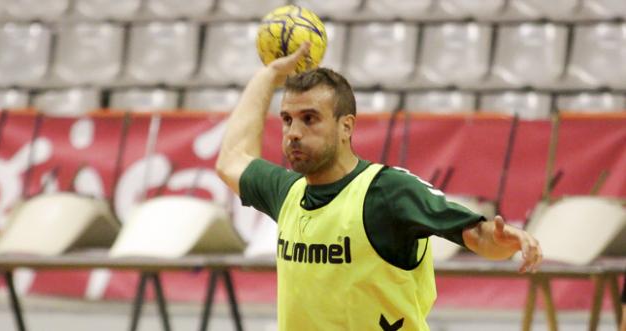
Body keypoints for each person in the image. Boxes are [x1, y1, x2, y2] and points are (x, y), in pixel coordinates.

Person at [216, 43, 543, 331]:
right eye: (287, 119)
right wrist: (269, 75)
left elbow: (479, 236)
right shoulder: (287, 192)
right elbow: (231, 159)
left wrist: (504, 242)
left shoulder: (387, 191)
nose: (294, 132)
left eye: (310, 118)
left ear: (346, 127)